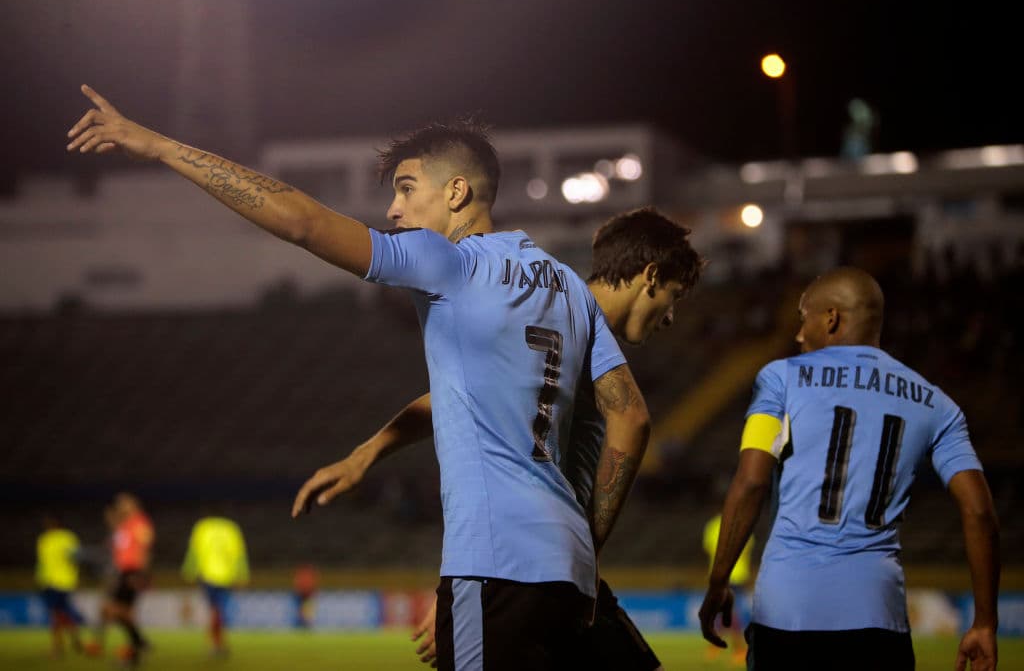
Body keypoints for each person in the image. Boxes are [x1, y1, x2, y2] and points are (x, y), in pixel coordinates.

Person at [68, 86, 650, 670]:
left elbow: (301, 221)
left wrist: (159, 147)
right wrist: (369, 452)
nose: (394, 211)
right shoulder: (567, 285)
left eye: (405, 189)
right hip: (569, 568)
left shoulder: (449, 261)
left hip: (495, 559)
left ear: (457, 192)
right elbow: (628, 413)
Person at [293, 207, 706, 670]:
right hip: (539, 571)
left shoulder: (555, 313)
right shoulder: (579, 322)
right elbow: (632, 420)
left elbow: (455, 398)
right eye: (674, 297)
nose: (669, 317)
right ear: (649, 276)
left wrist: (366, 455)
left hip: (532, 573)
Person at [699, 267, 1000, 671]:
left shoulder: (780, 379)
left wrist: (719, 582)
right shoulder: (937, 405)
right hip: (877, 617)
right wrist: (984, 622)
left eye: (803, 317)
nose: (798, 334)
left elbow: (752, 481)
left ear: (831, 318)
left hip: (787, 613)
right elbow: (979, 510)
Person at [86, 493, 155, 666]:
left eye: (124, 503)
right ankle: (136, 649)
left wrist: (140, 574)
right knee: (122, 613)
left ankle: (137, 645)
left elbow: (146, 547)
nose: (121, 506)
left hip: (132, 572)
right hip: (123, 572)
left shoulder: (139, 522)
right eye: (119, 504)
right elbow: (117, 537)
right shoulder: (124, 526)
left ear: (134, 505)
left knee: (113, 610)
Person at [181, 515, 250, 656]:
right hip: (226, 577)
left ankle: (216, 644)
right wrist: (242, 574)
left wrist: (188, 571)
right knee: (218, 611)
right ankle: (217, 644)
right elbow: (239, 554)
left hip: (208, 576)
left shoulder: (202, 527)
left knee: (215, 611)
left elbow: (194, 551)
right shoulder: (231, 527)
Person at [702, 512, 752, 665]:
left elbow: (709, 547)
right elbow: (748, 546)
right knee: (727, 611)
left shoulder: (713, 525)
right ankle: (729, 646)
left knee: (725, 611)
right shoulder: (743, 522)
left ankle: (733, 647)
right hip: (738, 573)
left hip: (721, 573)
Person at [36, 514, 85, 657]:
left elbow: (75, 558)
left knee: (57, 614)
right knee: (60, 613)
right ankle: (74, 642)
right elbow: (43, 562)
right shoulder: (44, 539)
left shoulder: (67, 538)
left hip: (63, 582)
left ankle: (58, 647)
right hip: (48, 582)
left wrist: (76, 577)